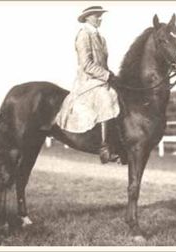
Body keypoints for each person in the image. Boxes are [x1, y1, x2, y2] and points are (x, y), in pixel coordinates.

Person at [55, 6, 120, 163]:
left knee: (120, 93)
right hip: (87, 82)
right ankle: (105, 148)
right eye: (97, 16)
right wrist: (106, 75)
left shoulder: (101, 38)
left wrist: (113, 76)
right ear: (88, 17)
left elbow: (103, 64)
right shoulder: (83, 35)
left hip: (100, 80)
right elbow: (87, 64)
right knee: (106, 97)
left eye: (100, 16)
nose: (100, 18)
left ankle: (120, 144)